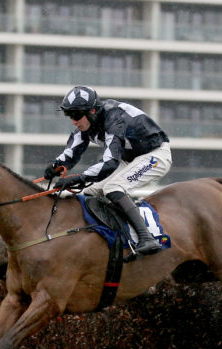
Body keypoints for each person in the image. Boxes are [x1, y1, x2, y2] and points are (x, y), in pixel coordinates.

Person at [43, 85, 172, 256]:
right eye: (69, 115)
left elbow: (110, 162)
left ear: (93, 111)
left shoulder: (114, 118)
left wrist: (79, 177)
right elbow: (71, 153)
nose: (73, 121)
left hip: (155, 155)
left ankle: (146, 238)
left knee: (113, 187)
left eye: (76, 115)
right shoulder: (87, 124)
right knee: (87, 191)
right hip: (129, 160)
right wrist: (56, 165)